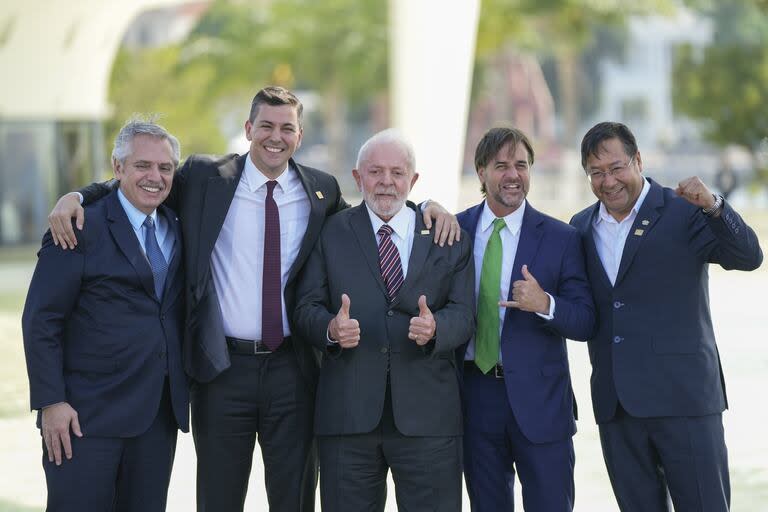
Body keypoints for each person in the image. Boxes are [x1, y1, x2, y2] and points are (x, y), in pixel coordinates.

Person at [46, 86, 459, 512]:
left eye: (287, 128)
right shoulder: (206, 177)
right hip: (222, 369)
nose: (275, 137)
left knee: (294, 498)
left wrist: (425, 204)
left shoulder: (321, 191)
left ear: (299, 136)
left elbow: (375, 209)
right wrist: (78, 196)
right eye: (265, 125)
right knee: (219, 498)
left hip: (293, 370)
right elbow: (144, 179)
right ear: (248, 129)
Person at [570, 121, 763, 512]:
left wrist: (715, 205)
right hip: (617, 407)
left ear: (638, 160)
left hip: (685, 402)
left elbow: (748, 256)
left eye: (616, 167)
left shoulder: (685, 211)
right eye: (596, 172)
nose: (608, 181)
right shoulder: (580, 227)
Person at [292, 129, 475, 512]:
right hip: (348, 419)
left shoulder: (450, 237)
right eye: (375, 172)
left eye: (397, 172)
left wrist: (436, 328)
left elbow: (464, 316)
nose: (387, 182)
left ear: (414, 180)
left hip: (429, 421)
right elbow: (304, 307)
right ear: (358, 178)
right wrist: (329, 329)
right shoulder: (329, 233)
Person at [22, 118, 189, 511]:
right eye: (142, 166)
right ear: (118, 168)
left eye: (165, 168)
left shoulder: (176, 223)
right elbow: (40, 319)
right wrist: (51, 402)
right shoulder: (78, 227)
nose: (155, 176)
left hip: (155, 418)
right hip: (84, 418)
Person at [456, 127, 595, 511]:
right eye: (501, 165)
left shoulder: (561, 238)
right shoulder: (454, 230)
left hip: (542, 404)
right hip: (475, 397)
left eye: (521, 165)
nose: (513, 175)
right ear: (481, 171)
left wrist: (545, 303)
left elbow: (585, 321)